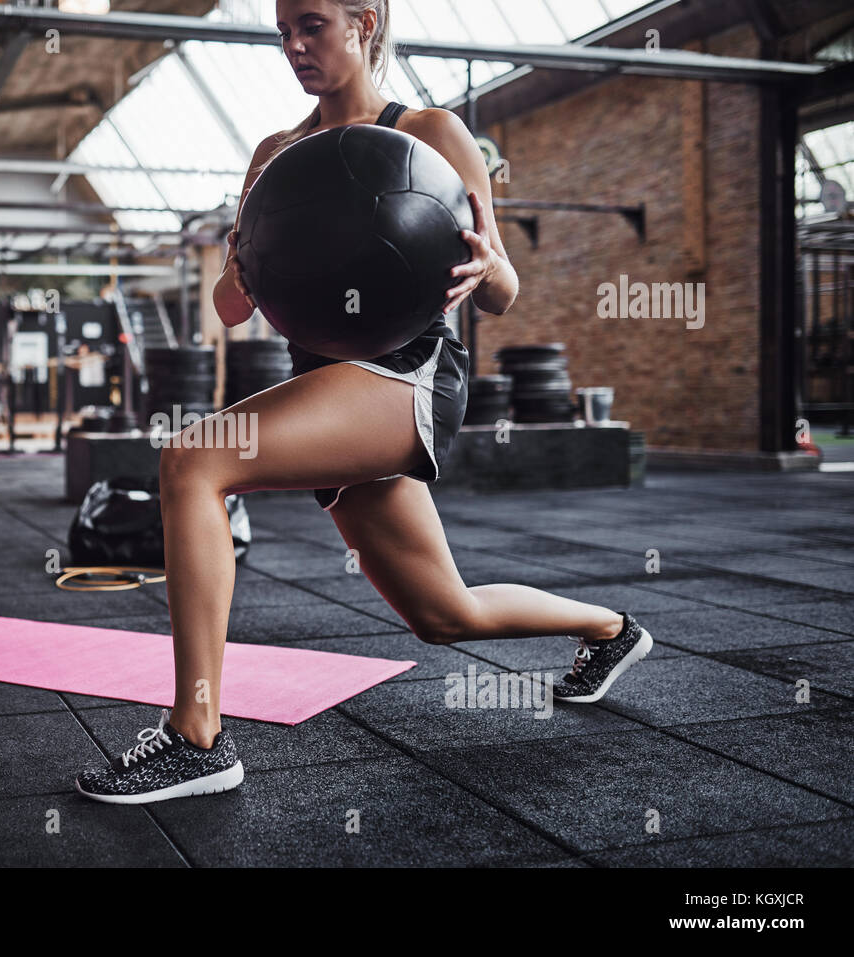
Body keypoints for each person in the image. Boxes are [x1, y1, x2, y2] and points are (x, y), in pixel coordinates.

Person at [75, 0, 652, 805]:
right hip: (328, 383)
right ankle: (610, 629)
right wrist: (240, 267)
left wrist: (488, 265)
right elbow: (231, 307)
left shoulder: (435, 134)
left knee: (193, 460)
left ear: (366, 21)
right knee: (442, 612)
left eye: (312, 25)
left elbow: (506, 294)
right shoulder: (276, 155)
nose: (294, 46)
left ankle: (197, 736)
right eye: (282, 31)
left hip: (407, 375)